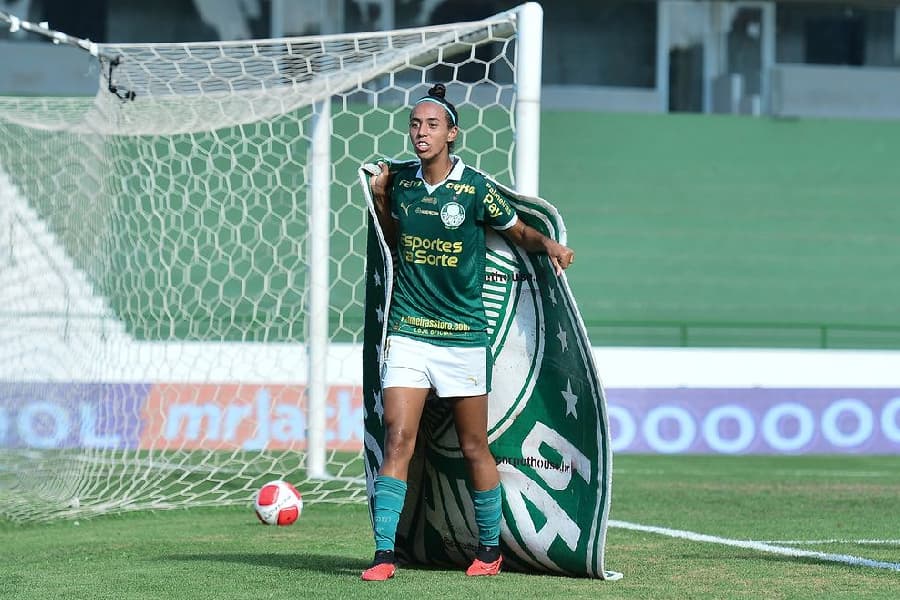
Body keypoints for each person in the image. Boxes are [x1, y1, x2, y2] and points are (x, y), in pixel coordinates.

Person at [362, 83, 575, 581]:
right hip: (409, 331)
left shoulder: (475, 188)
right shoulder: (401, 184)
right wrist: (381, 199)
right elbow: (394, 245)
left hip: (462, 337)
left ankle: (488, 549)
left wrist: (549, 245)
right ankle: (384, 554)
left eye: (432, 125)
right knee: (398, 438)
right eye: (415, 124)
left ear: (452, 133)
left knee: (474, 444)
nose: (421, 132)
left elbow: (517, 231)